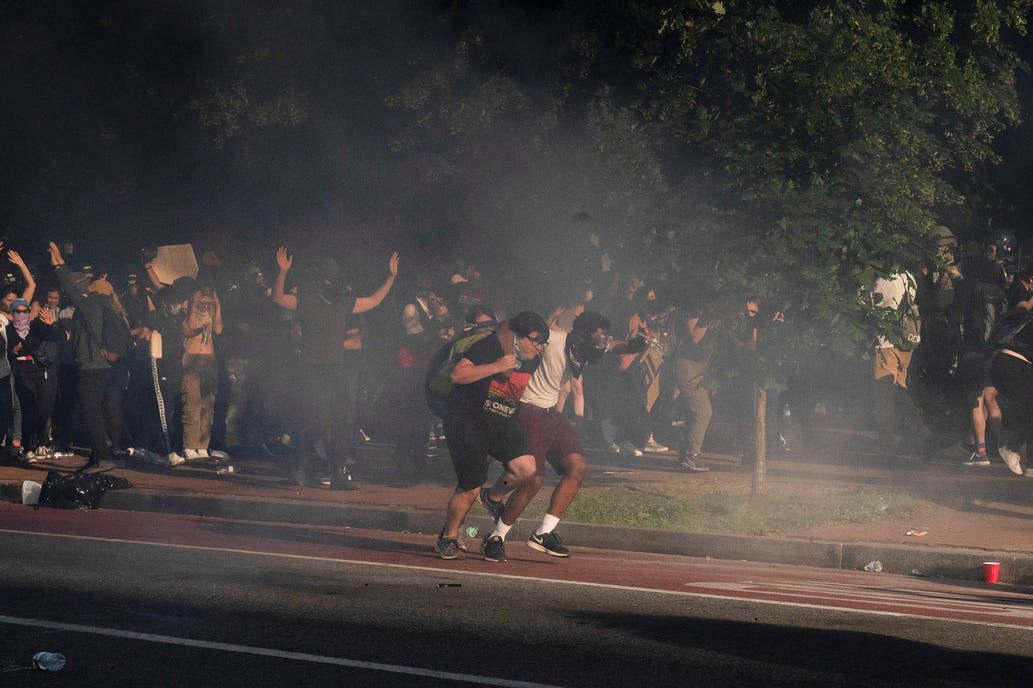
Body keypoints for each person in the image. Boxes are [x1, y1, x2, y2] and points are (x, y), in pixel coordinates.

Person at [478, 311, 629, 558]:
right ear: (580, 336)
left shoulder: (587, 349)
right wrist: (507, 357)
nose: (601, 345)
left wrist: (640, 342)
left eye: (604, 340)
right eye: (598, 339)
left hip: (552, 415)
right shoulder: (556, 340)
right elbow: (506, 326)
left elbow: (620, 345)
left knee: (578, 466)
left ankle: (543, 533)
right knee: (533, 480)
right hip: (528, 411)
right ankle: (496, 535)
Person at [273, 245, 399, 489]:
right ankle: (299, 467)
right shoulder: (307, 301)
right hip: (312, 371)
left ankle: (338, 475)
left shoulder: (343, 303)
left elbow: (374, 300)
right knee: (315, 419)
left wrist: (391, 277)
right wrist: (282, 272)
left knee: (342, 422)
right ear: (323, 281)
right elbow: (278, 298)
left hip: (337, 370)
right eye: (330, 280)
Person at [435, 310, 548, 562]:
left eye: (543, 343)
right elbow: (458, 375)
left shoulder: (532, 358)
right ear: (519, 337)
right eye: (535, 340)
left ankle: (493, 496)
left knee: (525, 468)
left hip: (502, 419)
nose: (539, 347)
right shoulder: (489, 347)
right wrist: (497, 366)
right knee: (469, 487)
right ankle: (448, 536)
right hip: (467, 421)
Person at [6, 297, 58, 461]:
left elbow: (52, 336)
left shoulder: (36, 326)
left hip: (38, 369)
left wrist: (50, 324)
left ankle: (39, 442)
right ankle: (28, 447)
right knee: (28, 408)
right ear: (12, 313)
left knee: (43, 408)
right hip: (20, 370)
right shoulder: (8, 330)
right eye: (18, 311)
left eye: (25, 311)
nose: (22, 314)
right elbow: (5, 349)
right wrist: (12, 350)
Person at [180, 285, 223, 460]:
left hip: (209, 360)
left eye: (208, 303)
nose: (205, 306)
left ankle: (203, 445)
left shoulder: (211, 317)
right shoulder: (187, 317)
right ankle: (190, 445)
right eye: (202, 303)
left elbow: (219, 329)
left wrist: (217, 305)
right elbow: (189, 329)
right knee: (191, 403)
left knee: (207, 405)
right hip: (192, 359)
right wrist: (194, 304)